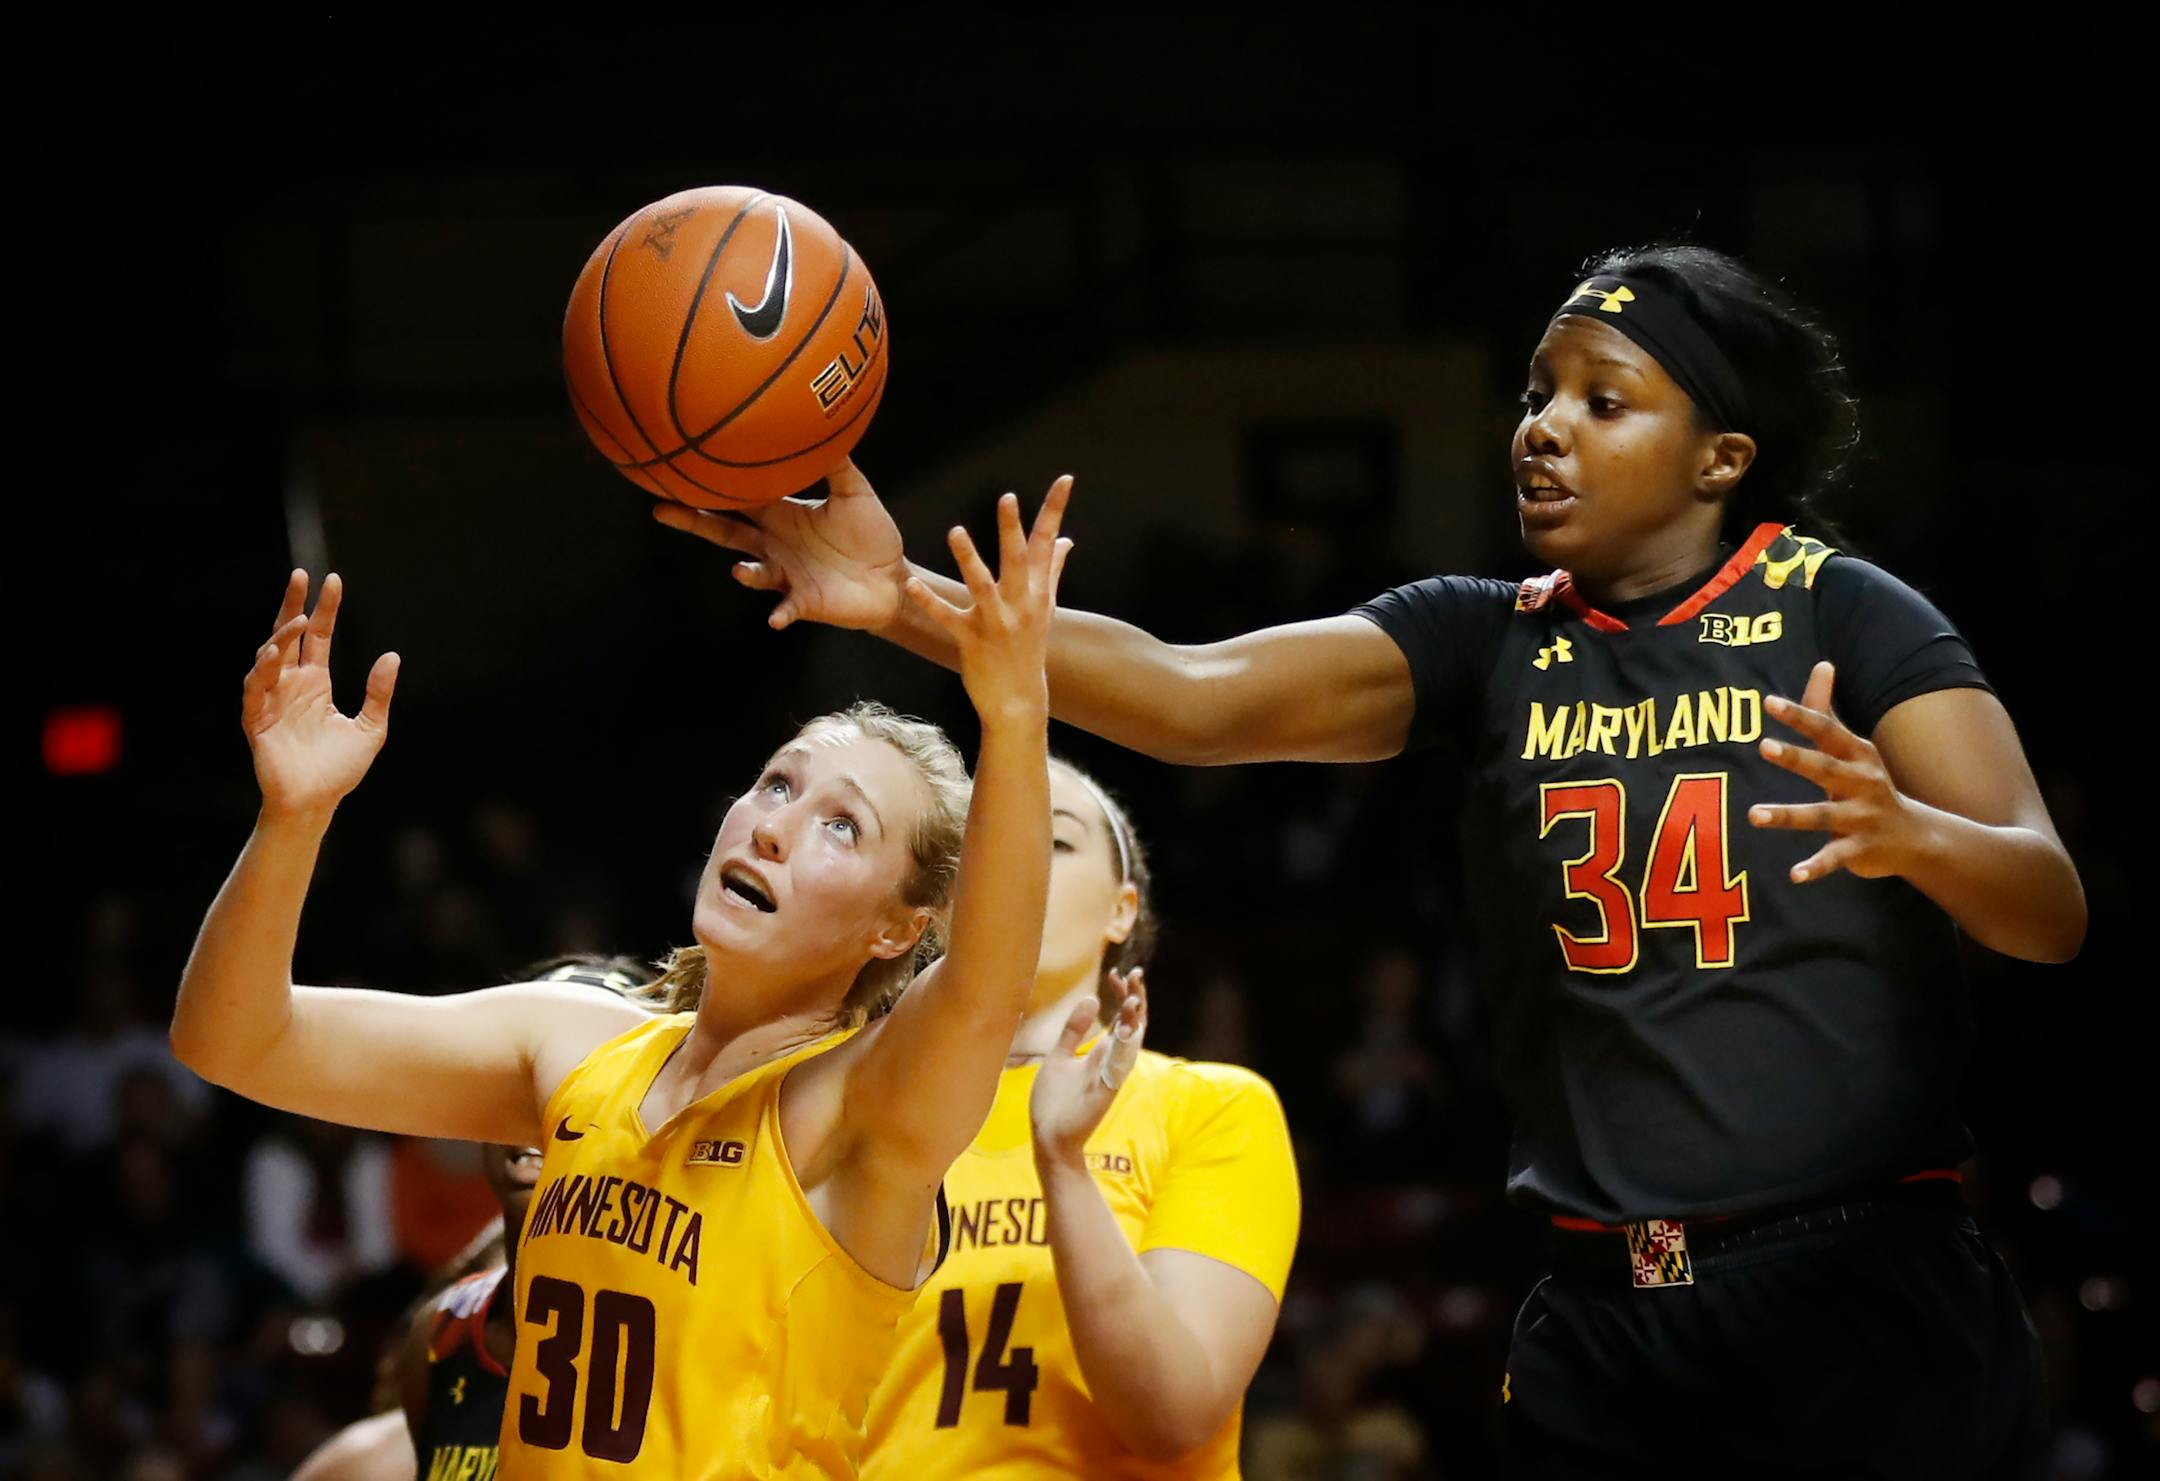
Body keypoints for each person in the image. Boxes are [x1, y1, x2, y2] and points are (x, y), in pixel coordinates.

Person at [657, 243, 2085, 1479]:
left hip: (1855, 1293)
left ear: (1721, 458)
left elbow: (2050, 905)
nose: (1545, 427)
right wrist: (898, 597)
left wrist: (1920, 838)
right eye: (1537, 392)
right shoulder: (1489, 639)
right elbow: (1194, 693)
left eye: (1604, 398)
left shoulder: (1848, 613)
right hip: (1605, 1316)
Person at [173, 482, 1071, 1479]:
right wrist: (292, 817)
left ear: (899, 925)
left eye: (841, 823)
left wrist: (1015, 708)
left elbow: (987, 988)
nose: (773, 823)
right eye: (778, 782)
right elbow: (233, 1038)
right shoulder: (573, 1041)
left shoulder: (856, 1110)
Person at [861, 760, 1298, 1477]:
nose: (1014, 860)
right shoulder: (862, 1107)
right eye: (982, 843)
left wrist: (1063, 1164)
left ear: (1121, 909)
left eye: (1054, 843)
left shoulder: (1212, 1106)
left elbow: (1173, 1414)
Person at [292, 960, 646, 1481]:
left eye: (584, 1082)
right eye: (520, 1077)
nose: (545, 1107)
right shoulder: (440, 1332)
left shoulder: (694, 1336)